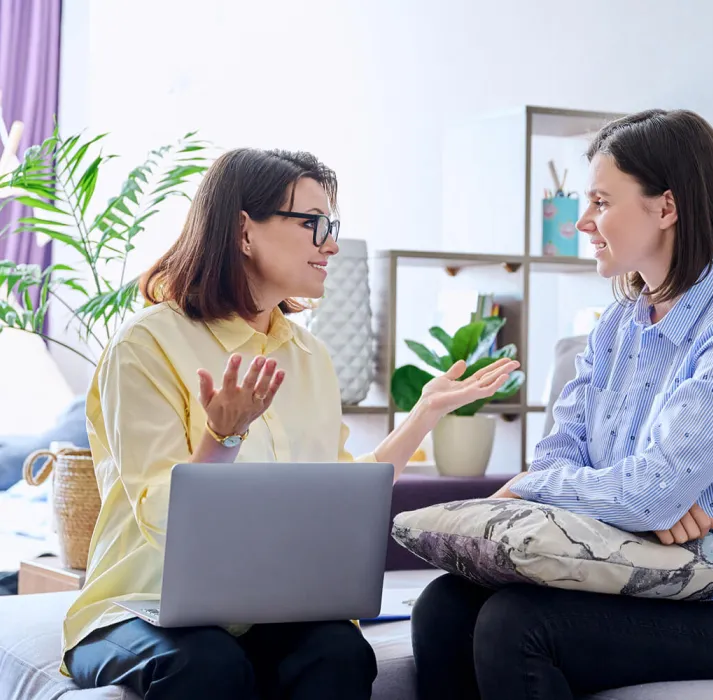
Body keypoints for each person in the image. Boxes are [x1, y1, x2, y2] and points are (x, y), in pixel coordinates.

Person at [60, 148, 518, 700]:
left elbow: (341, 489)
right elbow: (164, 520)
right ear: (244, 231)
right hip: (140, 607)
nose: (330, 244)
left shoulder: (308, 356)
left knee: (340, 653)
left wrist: (425, 413)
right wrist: (222, 437)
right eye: (313, 224)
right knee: (206, 666)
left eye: (334, 226)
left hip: (268, 609)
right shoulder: (147, 344)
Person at [411, 109, 713, 699]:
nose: (584, 221)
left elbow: (646, 492)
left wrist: (552, 488)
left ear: (666, 207)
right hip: (646, 576)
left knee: (517, 626)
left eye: (602, 202)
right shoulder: (616, 327)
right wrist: (636, 500)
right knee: (443, 606)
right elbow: (571, 461)